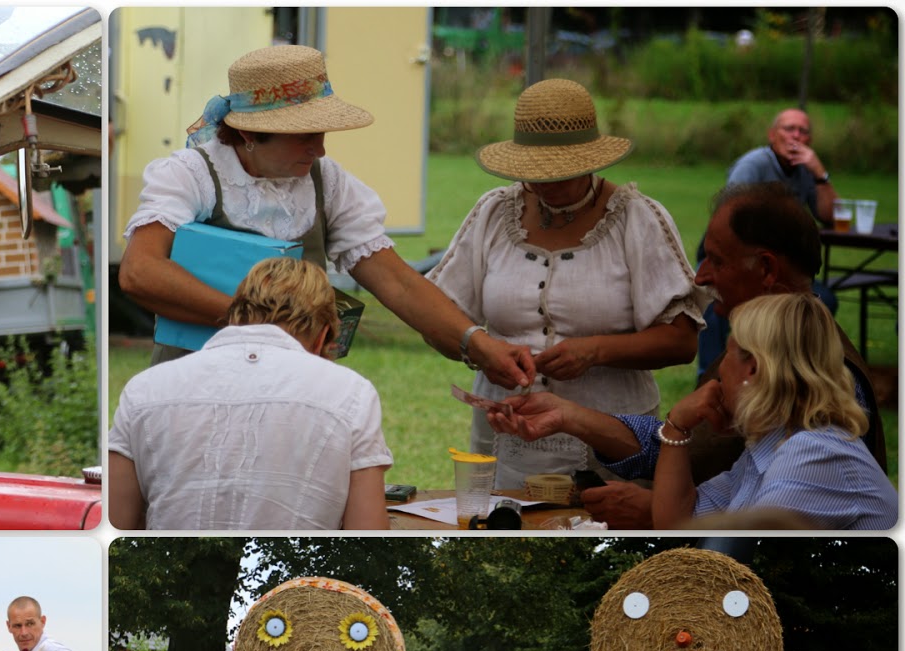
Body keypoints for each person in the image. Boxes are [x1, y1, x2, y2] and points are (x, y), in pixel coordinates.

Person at [117, 44, 534, 388]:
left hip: (293, 387)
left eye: (321, 134)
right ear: (247, 133)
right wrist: (259, 323)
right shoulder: (189, 175)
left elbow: (396, 281)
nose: (319, 150)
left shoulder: (326, 181)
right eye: (303, 136)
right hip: (194, 384)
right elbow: (140, 272)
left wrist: (477, 343)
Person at [486, 183, 889, 528]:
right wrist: (567, 415)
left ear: (766, 269)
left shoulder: (813, 421)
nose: (700, 277)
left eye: (716, 259)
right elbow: (690, 453)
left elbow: (748, 539)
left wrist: (657, 513)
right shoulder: (776, 366)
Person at [428, 78, 704, 486]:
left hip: (609, 445)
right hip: (506, 439)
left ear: (591, 160)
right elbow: (436, 317)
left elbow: (682, 342)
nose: (544, 185)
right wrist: (480, 349)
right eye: (534, 173)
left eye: (560, 173)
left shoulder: (636, 219)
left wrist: (594, 351)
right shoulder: (492, 213)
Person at [108, 257, 393, 530]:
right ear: (322, 337)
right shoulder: (352, 393)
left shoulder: (143, 389)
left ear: (237, 316)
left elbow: (117, 518)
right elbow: (368, 528)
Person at [650, 292, 896, 530]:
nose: (720, 369)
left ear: (753, 369)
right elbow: (679, 526)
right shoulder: (777, 442)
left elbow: (737, 556)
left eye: (728, 351)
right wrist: (676, 426)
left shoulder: (811, 454)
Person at [726, 108, 836, 225]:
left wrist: (820, 174)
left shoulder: (807, 168)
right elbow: (730, 215)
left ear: (810, 140)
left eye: (803, 131)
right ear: (772, 135)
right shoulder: (752, 165)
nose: (796, 136)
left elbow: (831, 217)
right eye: (789, 129)